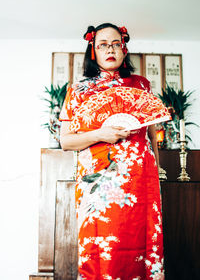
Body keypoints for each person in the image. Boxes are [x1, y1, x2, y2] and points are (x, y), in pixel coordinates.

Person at [59, 23, 165, 280]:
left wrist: (158, 169)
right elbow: (65, 142)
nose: (110, 49)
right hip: (99, 184)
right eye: (103, 44)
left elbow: (151, 134)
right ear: (93, 49)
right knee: (100, 247)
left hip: (141, 180)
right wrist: (100, 135)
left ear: (124, 48)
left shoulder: (141, 85)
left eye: (116, 43)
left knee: (142, 242)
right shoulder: (77, 92)